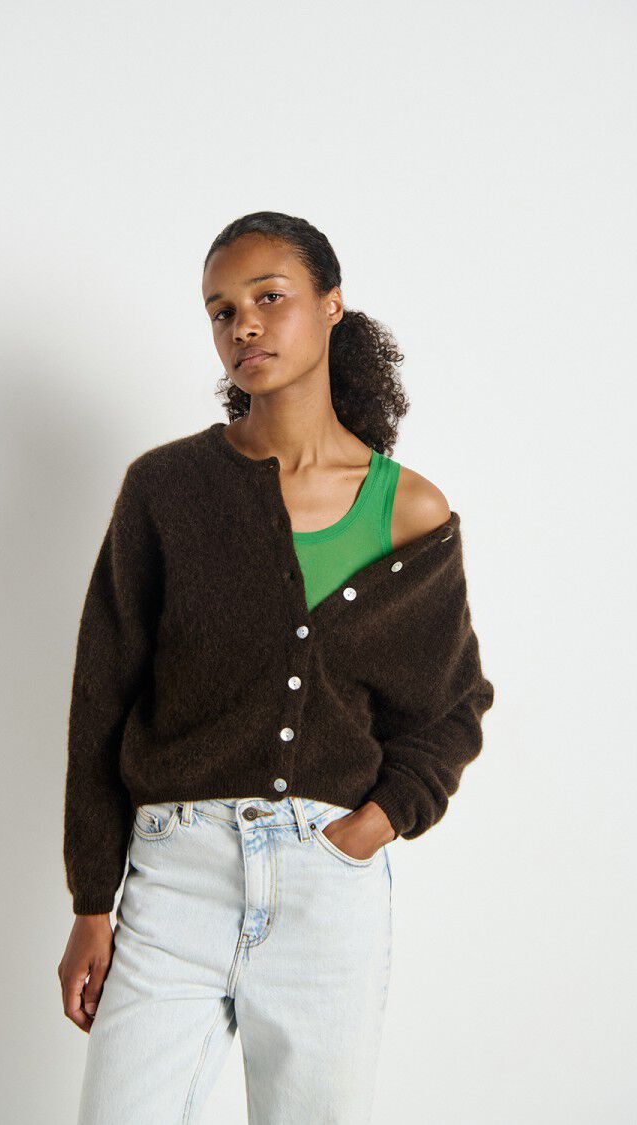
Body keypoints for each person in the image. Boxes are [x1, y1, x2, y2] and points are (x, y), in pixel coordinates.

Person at [57, 211, 495, 1124]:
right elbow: (103, 695)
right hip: (174, 879)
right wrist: (92, 900)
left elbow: (450, 708)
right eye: (221, 310)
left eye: (269, 297)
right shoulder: (165, 490)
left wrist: (372, 826)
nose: (243, 325)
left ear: (332, 305)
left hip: (326, 884)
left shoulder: (409, 511)